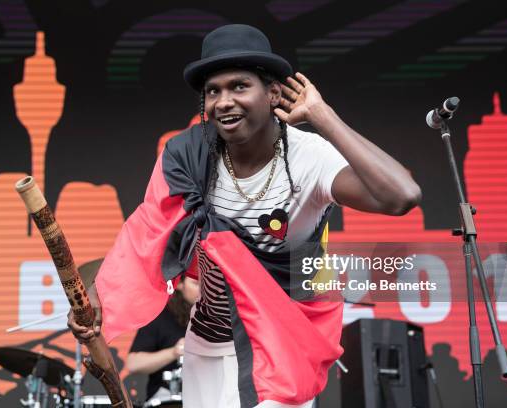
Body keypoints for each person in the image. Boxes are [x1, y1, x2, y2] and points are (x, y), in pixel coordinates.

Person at [68, 24, 421, 408]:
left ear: (273, 93)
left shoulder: (308, 156)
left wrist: (323, 116)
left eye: (239, 86)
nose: (223, 101)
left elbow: (401, 196)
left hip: (282, 345)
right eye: (213, 91)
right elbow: (146, 234)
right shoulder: (187, 156)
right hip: (208, 346)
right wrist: (99, 302)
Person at [127, 275, 199, 402]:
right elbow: (133, 364)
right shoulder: (161, 315)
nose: (203, 290)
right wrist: (174, 352)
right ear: (179, 284)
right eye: (196, 284)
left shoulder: (219, 318)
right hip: (167, 398)